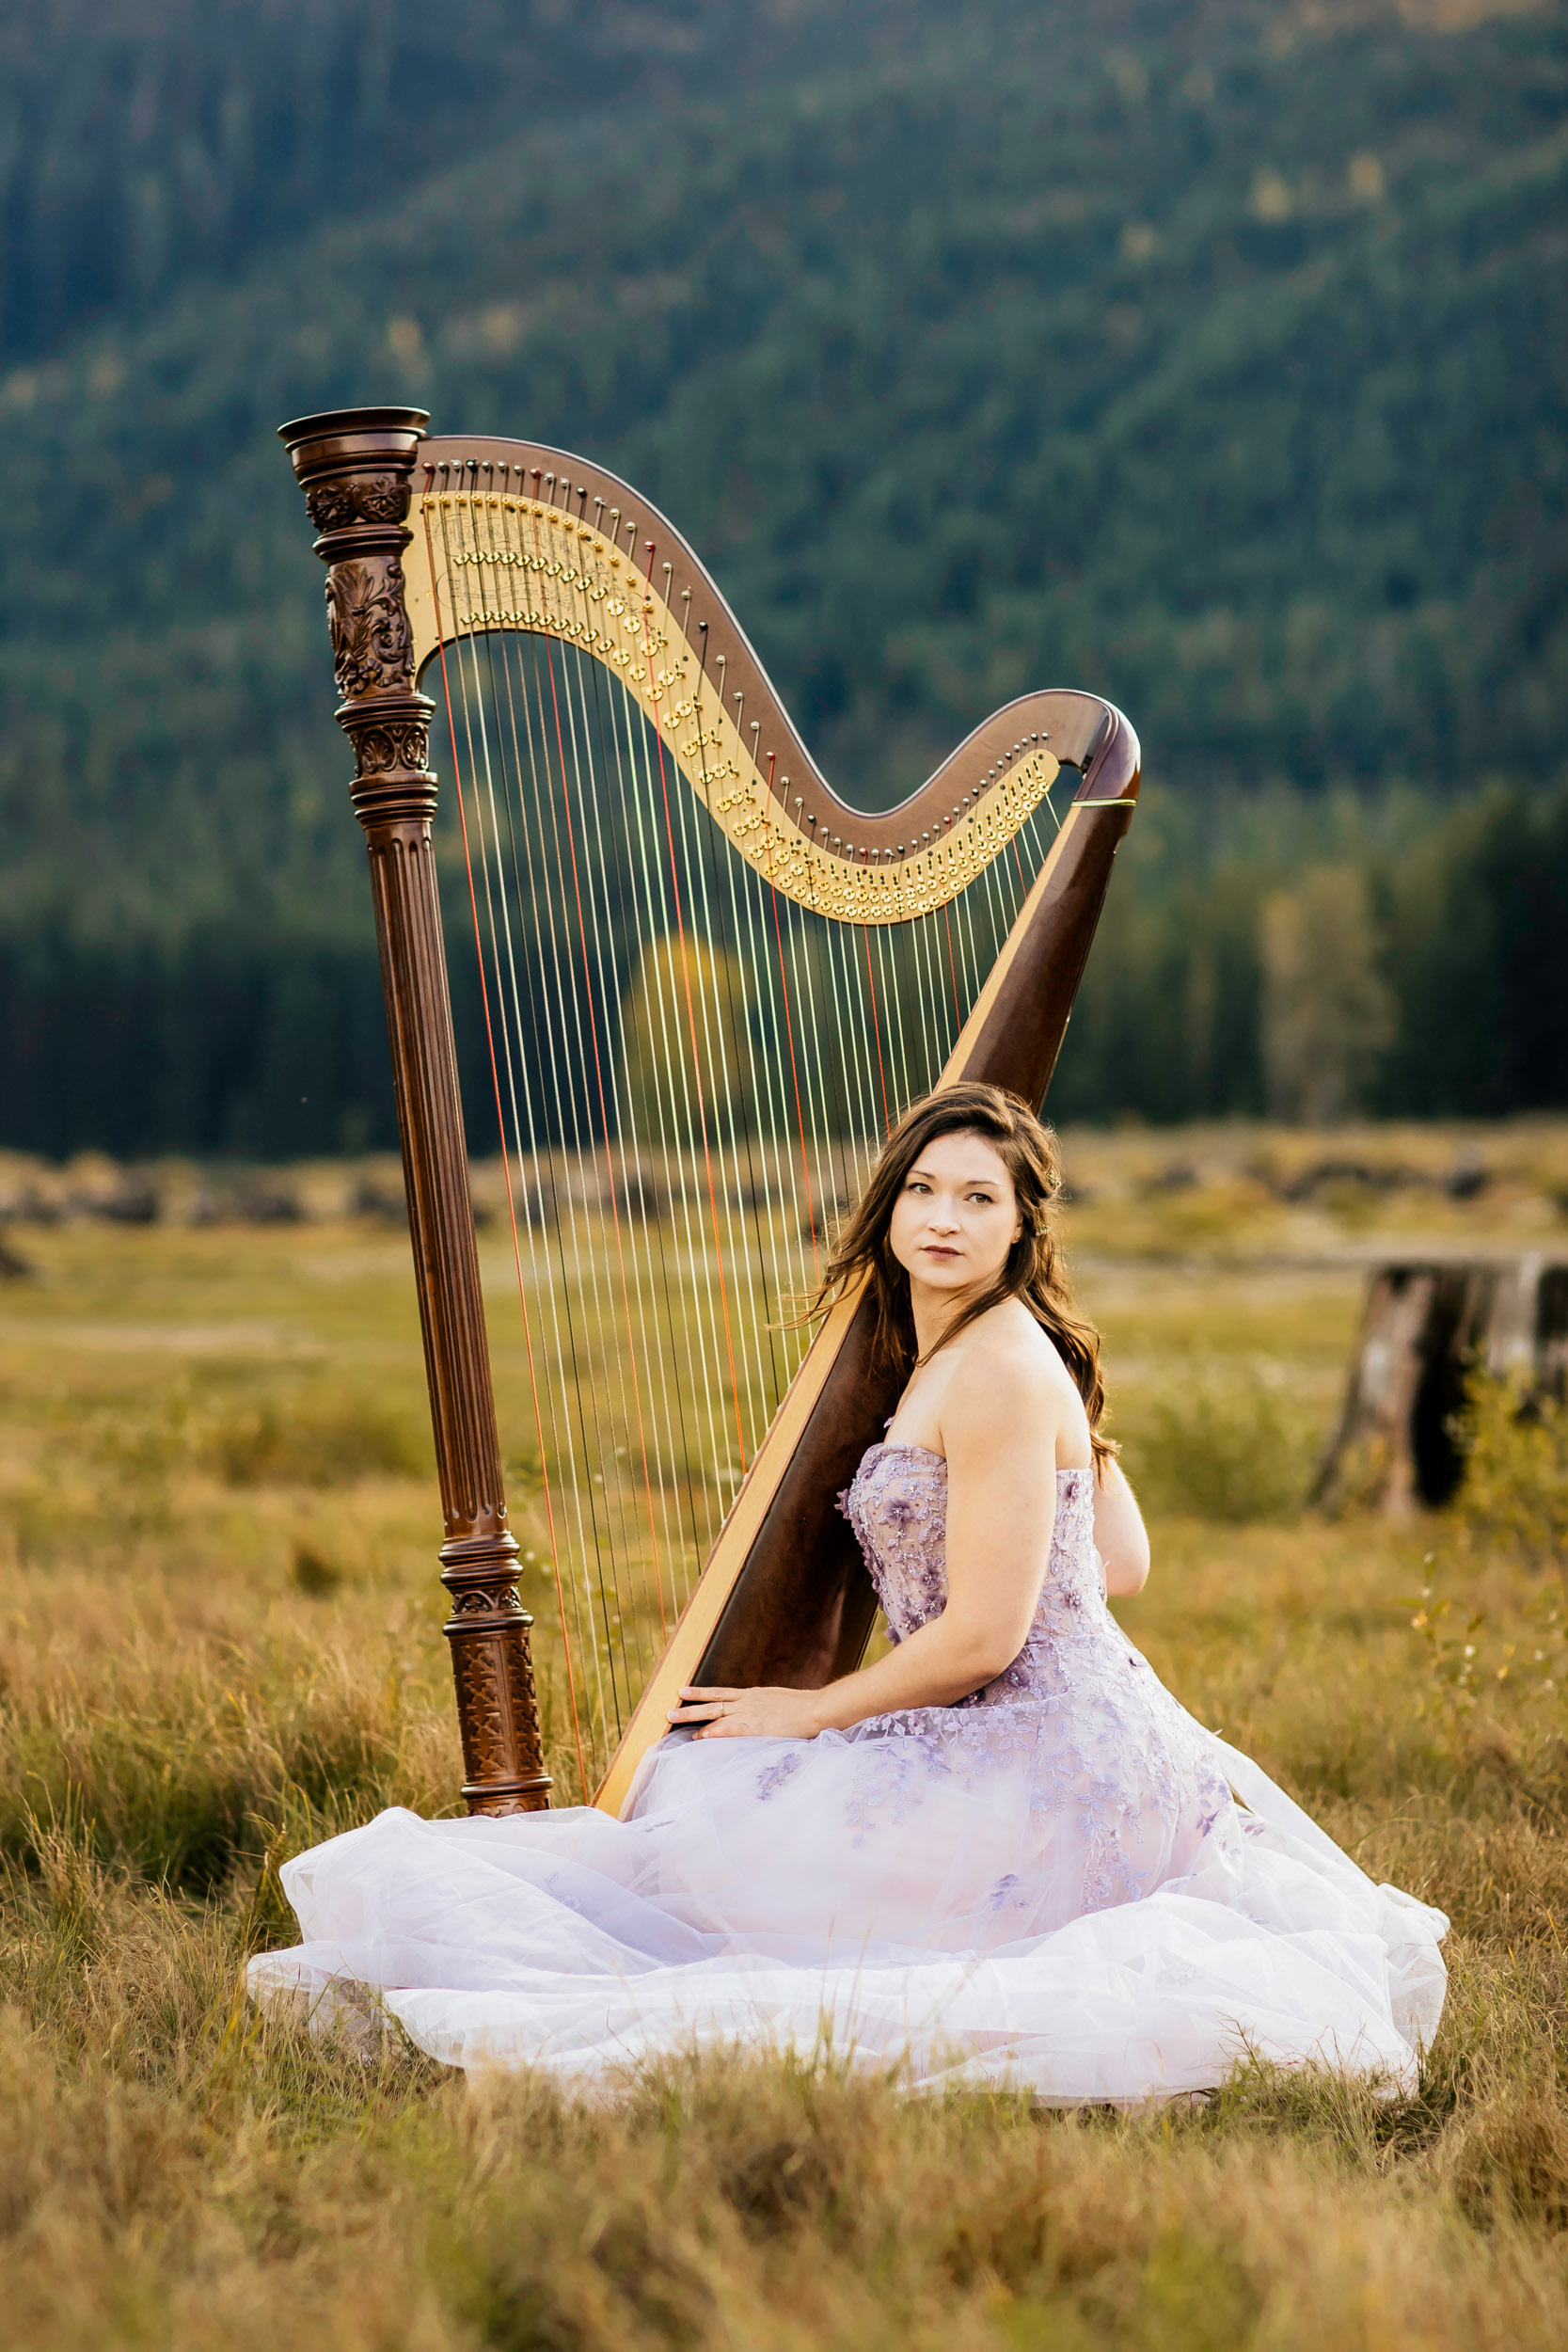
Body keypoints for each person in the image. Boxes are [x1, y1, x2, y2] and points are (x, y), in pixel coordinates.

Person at [250, 1083, 1447, 2099]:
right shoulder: (1001, 1349)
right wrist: (1083, 1434)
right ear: (889, 1208)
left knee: (719, 1809)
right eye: (923, 1190)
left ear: (1024, 1225)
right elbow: (1117, 1565)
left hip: (1047, 1756)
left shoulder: (993, 1369)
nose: (942, 1217)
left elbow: (981, 1638)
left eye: (979, 1198)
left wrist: (807, 1709)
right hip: (1096, 1738)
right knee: (708, 1822)